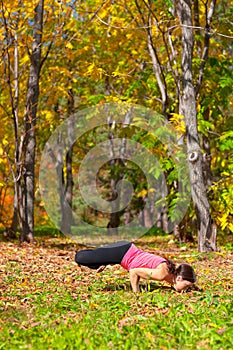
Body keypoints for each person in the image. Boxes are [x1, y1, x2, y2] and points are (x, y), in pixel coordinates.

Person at [75, 240, 196, 293]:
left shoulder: (168, 270)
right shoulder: (162, 274)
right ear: (179, 278)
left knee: (96, 265)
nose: (186, 290)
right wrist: (136, 293)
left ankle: (101, 258)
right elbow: (134, 271)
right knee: (80, 258)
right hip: (122, 252)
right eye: (186, 286)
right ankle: (86, 252)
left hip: (125, 252)